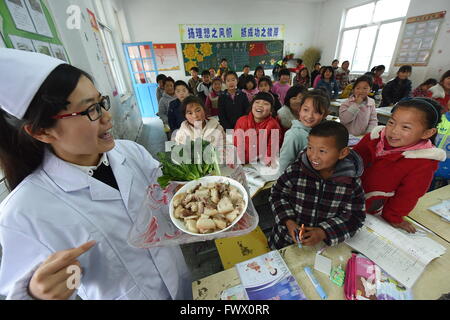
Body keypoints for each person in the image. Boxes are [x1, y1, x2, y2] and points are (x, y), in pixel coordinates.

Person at [0, 48, 191, 300]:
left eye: (101, 103)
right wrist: (36, 293)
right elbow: (17, 292)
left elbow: (167, 198)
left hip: (181, 284)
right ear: (42, 132)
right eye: (90, 110)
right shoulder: (24, 213)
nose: (107, 117)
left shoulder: (131, 152)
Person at [353, 98, 446, 233]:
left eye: (405, 127)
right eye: (391, 122)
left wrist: (393, 217)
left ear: (427, 133)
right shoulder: (373, 138)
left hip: (368, 207)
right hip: (345, 193)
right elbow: (352, 160)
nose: (394, 131)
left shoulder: (422, 162)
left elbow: (408, 195)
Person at [269, 121, 366, 250]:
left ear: (342, 153)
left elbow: (355, 217)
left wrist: (323, 232)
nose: (313, 156)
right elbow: (277, 194)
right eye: (310, 148)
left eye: (322, 151)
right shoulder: (296, 170)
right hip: (284, 241)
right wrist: (288, 222)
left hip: (321, 247)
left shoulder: (350, 183)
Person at [278, 90, 329, 174]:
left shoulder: (325, 131)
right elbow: (284, 165)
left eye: (316, 112)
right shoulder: (293, 135)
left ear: (324, 114)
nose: (309, 116)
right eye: (306, 110)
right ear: (299, 110)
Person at [233, 92, 282, 165]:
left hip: (260, 165)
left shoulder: (274, 125)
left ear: (271, 110)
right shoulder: (241, 121)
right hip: (241, 164)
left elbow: (271, 152)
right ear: (252, 105)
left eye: (265, 104)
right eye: (257, 102)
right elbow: (237, 145)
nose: (260, 105)